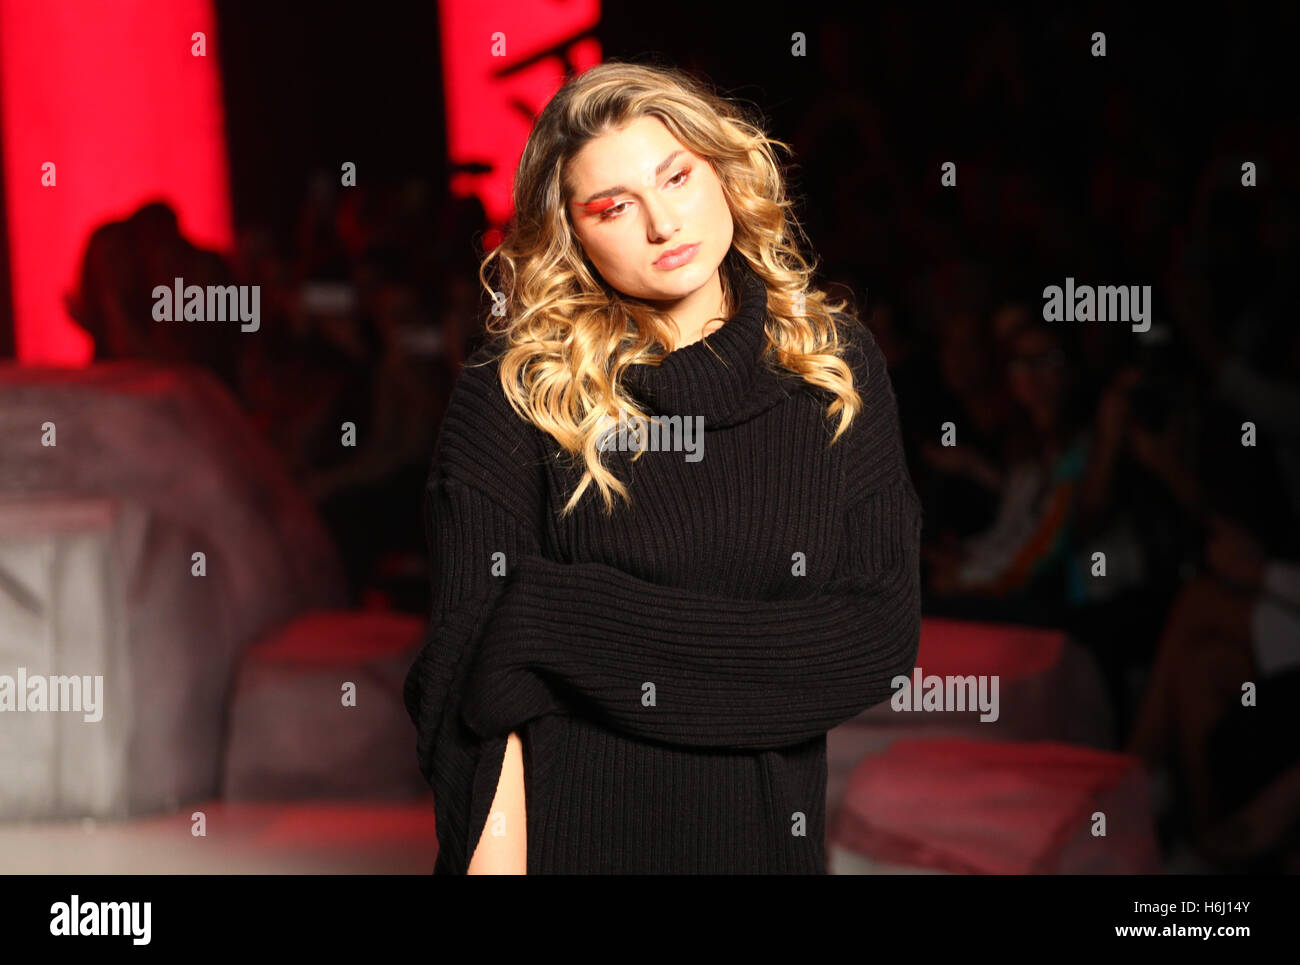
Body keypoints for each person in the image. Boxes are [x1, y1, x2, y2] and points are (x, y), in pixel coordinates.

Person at [402, 60, 923, 874]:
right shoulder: (518, 391)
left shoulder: (830, 367)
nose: (662, 224)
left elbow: (872, 639)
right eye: (615, 207)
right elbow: (466, 688)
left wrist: (556, 620)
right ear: (572, 233)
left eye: (676, 176)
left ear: (721, 170)